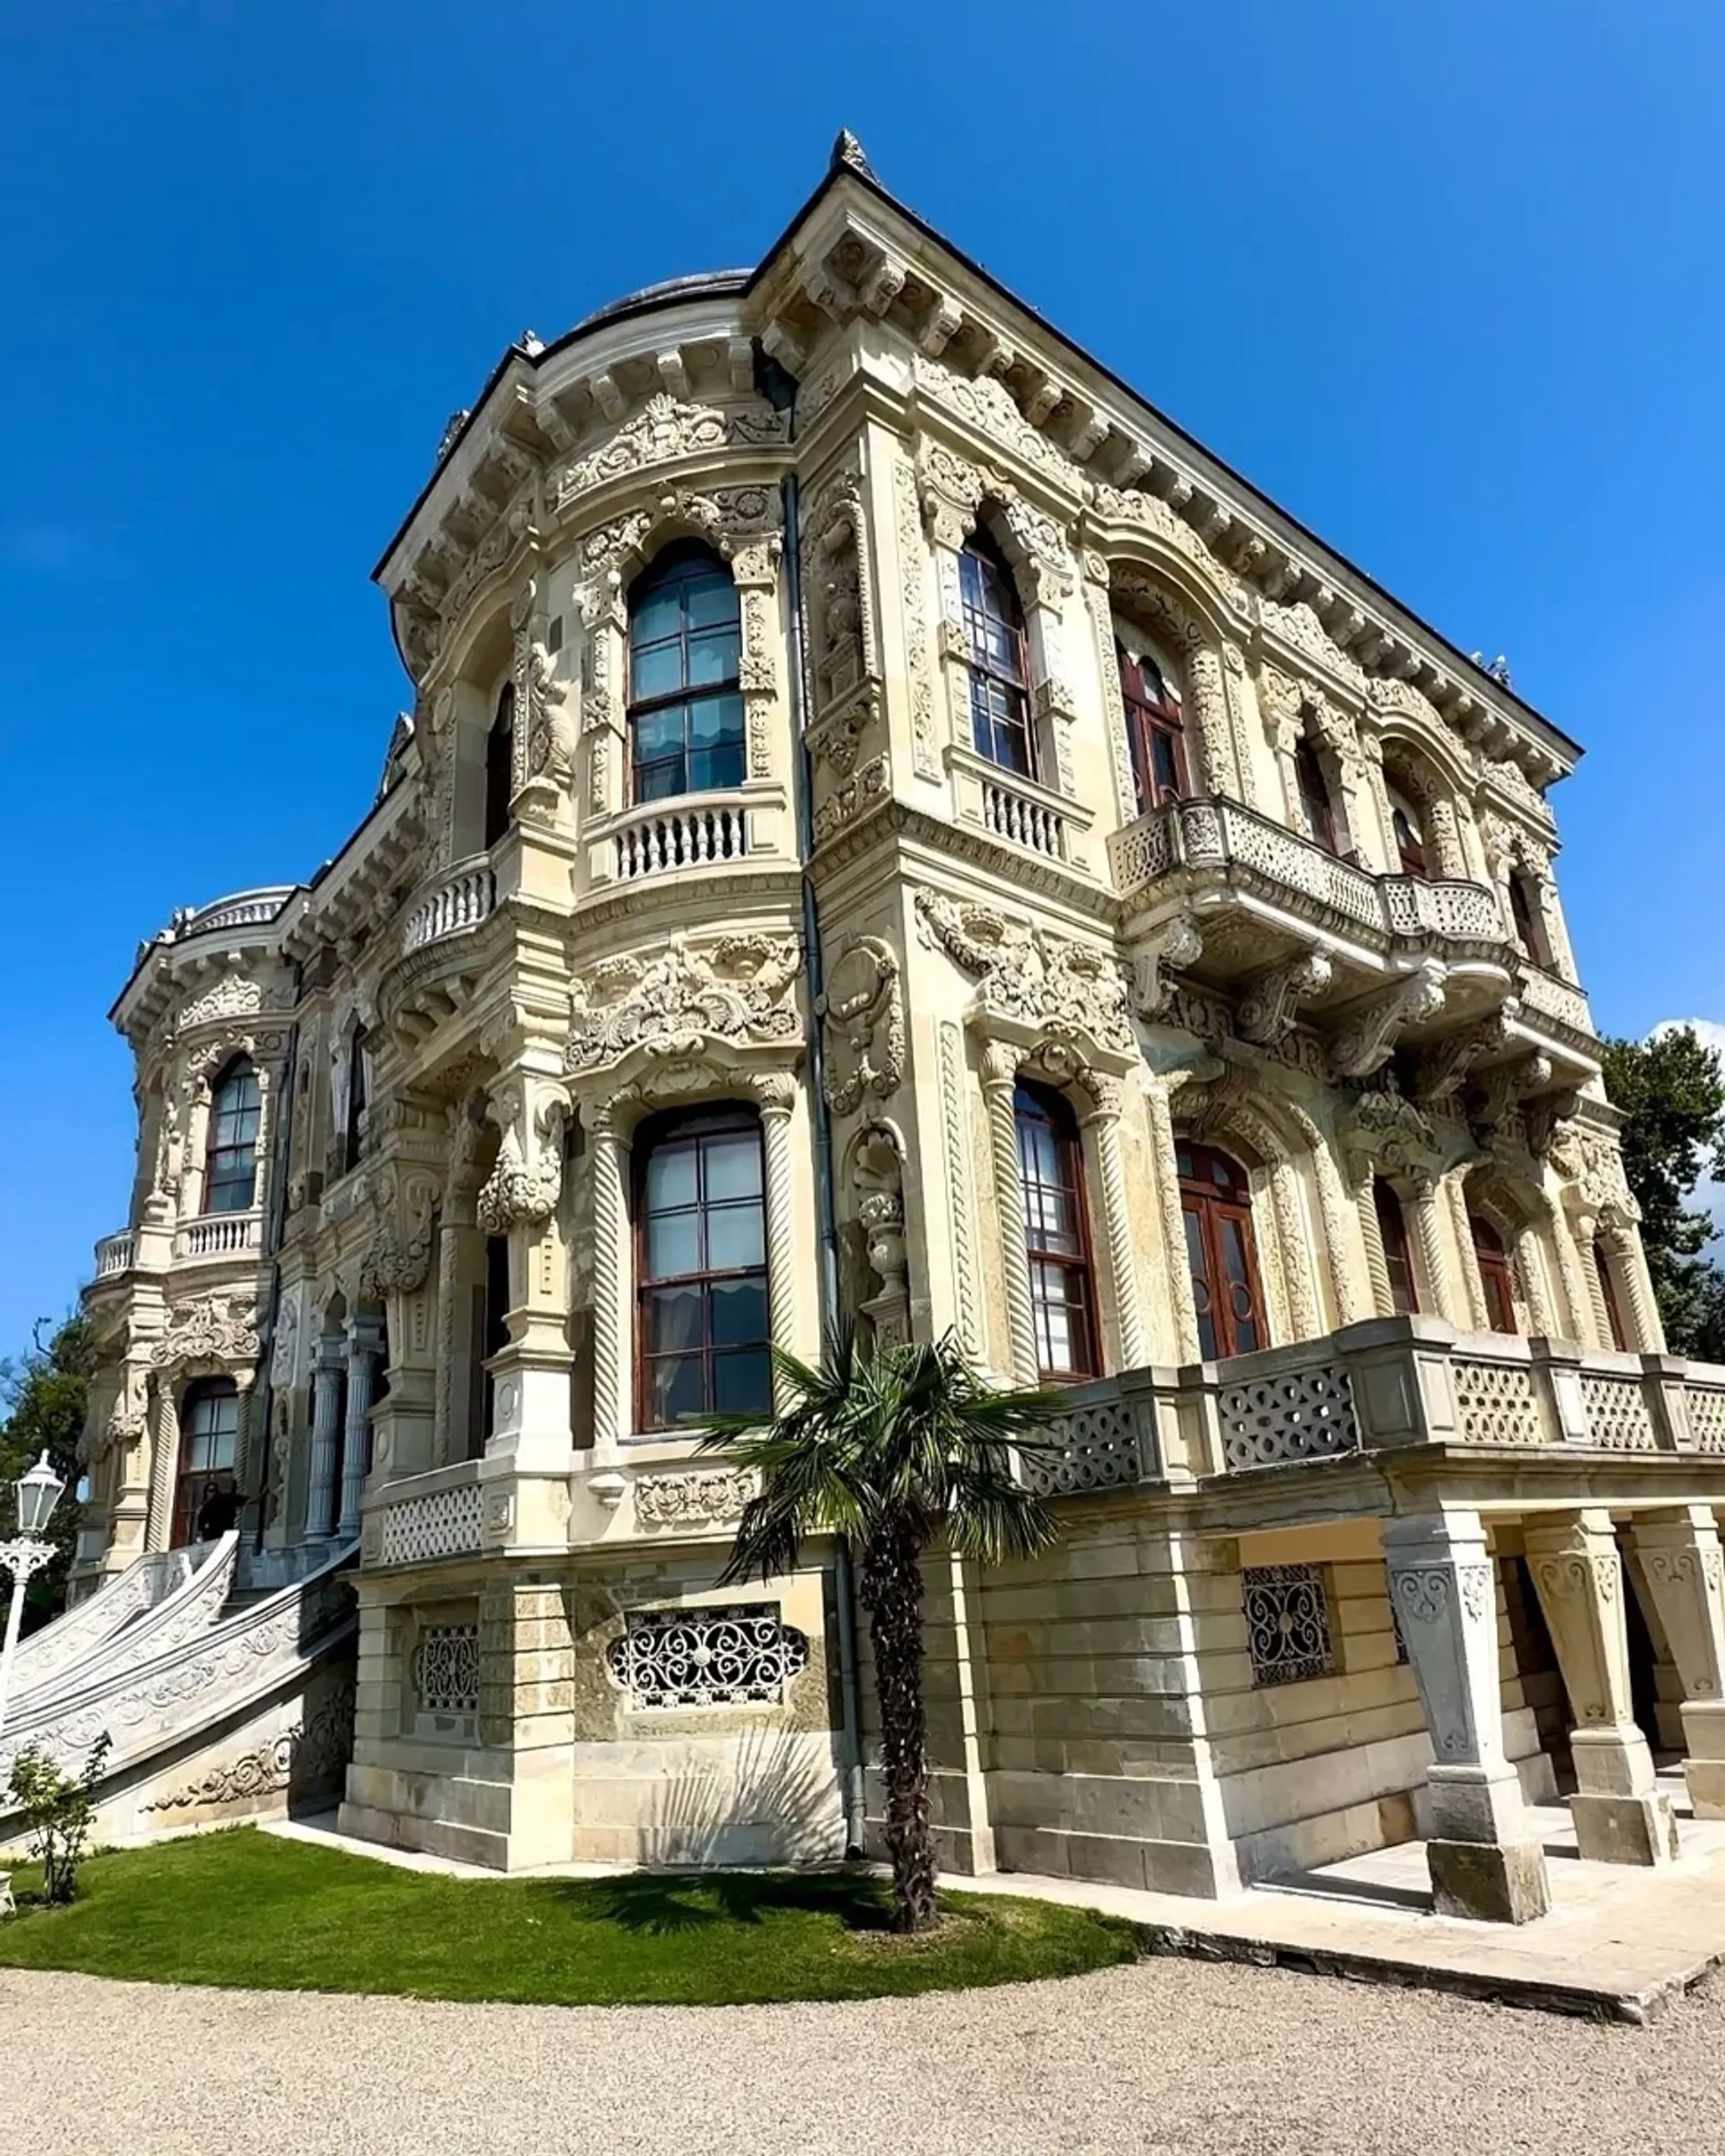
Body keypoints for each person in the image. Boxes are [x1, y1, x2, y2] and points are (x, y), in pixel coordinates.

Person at [195, 1476, 243, 1542]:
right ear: (206, 1492)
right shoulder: (203, 1507)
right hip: (209, 1536)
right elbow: (200, 1525)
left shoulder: (222, 1502)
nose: (213, 1493)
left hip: (222, 1534)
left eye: (215, 1490)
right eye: (211, 1491)